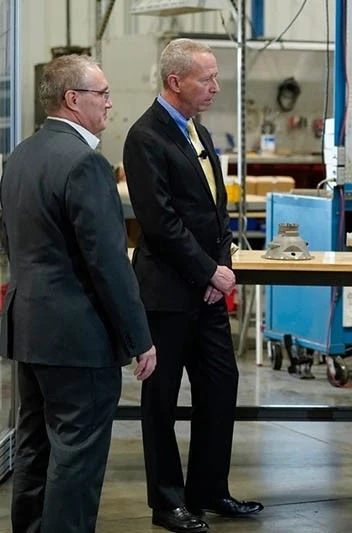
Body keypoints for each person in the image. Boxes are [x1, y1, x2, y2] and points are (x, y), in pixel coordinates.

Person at [0, 54, 157, 533]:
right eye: (102, 94)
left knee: (34, 445)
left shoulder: (21, 155)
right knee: (77, 455)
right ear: (73, 99)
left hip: (29, 328)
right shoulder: (86, 163)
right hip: (78, 338)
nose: (109, 103)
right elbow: (108, 263)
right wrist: (139, 338)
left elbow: (12, 241)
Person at [123, 38, 262, 533]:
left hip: (206, 292)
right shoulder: (145, 138)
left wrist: (218, 268)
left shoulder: (196, 131)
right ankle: (167, 502)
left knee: (220, 386)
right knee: (160, 401)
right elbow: (159, 223)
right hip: (166, 294)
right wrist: (208, 272)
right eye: (207, 78)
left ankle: (209, 490)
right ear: (175, 81)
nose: (216, 87)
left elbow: (216, 213)